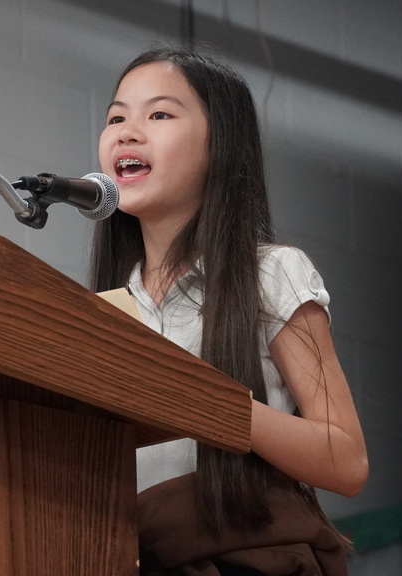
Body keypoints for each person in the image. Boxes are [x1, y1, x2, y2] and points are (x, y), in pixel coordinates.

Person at [90, 47, 369, 576]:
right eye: (116, 117)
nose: (126, 132)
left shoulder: (272, 272)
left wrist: (207, 404)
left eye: (160, 114)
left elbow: (346, 458)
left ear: (221, 144)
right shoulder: (106, 310)